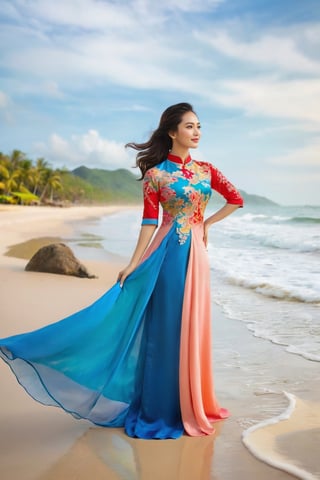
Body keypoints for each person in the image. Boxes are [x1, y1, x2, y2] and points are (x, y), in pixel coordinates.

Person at [0, 102, 243, 439]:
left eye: (199, 126)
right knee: (167, 328)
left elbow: (235, 198)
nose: (197, 132)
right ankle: (161, 408)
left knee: (193, 325)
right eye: (189, 126)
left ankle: (192, 401)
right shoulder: (156, 174)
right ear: (172, 132)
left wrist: (206, 226)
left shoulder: (207, 170)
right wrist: (133, 263)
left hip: (197, 255)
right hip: (167, 254)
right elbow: (148, 222)